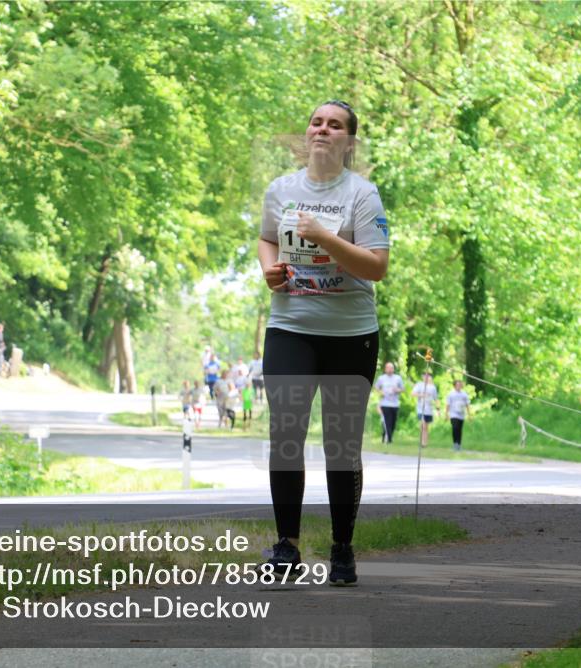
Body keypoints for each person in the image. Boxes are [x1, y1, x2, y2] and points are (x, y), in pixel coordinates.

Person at [258, 99, 390, 586]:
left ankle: (342, 549)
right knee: (286, 435)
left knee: (341, 444)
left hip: (349, 332)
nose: (322, 130)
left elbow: (376, 266)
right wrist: (268, 270)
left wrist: (322, 236)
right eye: (317, 122)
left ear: (348, 141)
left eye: (335, 126)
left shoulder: (362, 194)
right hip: (291, 325)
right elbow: (268, 238)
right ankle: (287, 547)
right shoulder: (281, 189)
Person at [374, 362, 405, 444]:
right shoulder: (381, 378)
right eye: (388, 368)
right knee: (387, 421)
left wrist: (397, 390)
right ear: (385, 369)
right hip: (385, 403)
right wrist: (381, 392)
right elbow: (376, 388)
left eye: (391, 368)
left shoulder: (398, 378)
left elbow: (403, 389)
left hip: (395, 404)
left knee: (393, 422)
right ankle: (389, 440)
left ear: (393, 369)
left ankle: (385, 435)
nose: (390, 369)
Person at [411, 371, 439, 448]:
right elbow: (413, 394)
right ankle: (422, 442)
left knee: (426, 427)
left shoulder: (433, 387)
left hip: (429, 409)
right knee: (422, 425)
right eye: (424, 376)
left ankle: (425, 442)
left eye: (428, 376)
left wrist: (438, 409)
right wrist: (422, 395)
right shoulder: (419, 385)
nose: (426, 378)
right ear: (422, 377)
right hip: (421, 409)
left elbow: (436, 398)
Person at [445, 379, 471, 451]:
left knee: (459, 429)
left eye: (460, 385)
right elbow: (448, 404)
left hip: (461, 414)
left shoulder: (464, 394)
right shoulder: (451, 394)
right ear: (454, 386)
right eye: (457, 385)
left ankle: (459, 444)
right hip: (453, 414)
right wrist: (446, 414)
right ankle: (455, 443)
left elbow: (467, 404)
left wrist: (469, 415)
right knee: (455, 428)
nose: (459, 386)